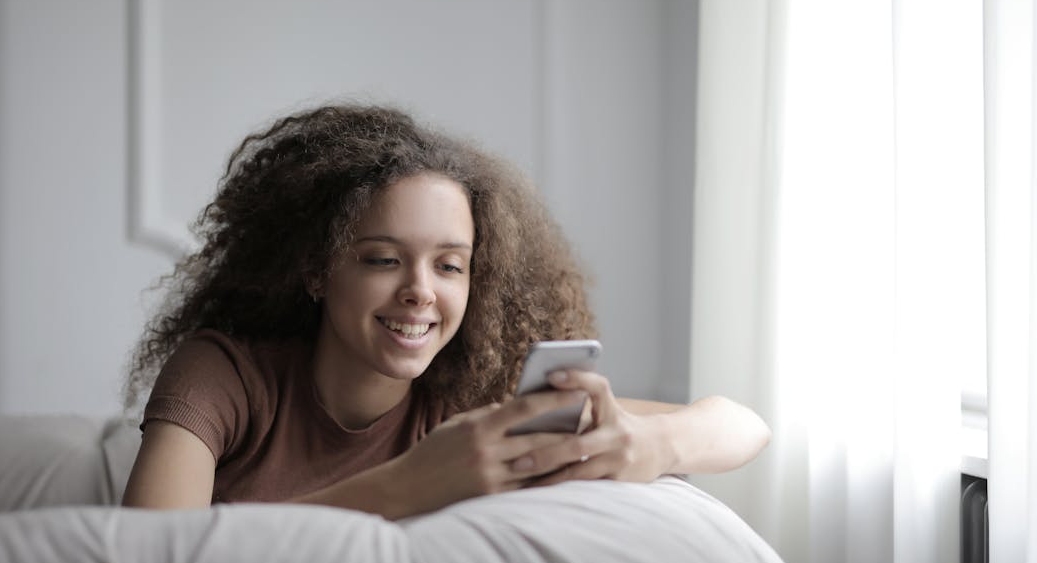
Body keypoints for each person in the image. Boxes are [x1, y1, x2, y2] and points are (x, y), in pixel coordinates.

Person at [122, 103, 770, 516]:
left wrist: (651, 443)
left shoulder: (467, 396)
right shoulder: (224, 376)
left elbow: (743, 427)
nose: (421, 291)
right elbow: (152, 562)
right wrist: (409, 484)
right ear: (317, 270)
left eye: (450, 264)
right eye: (382, 259)